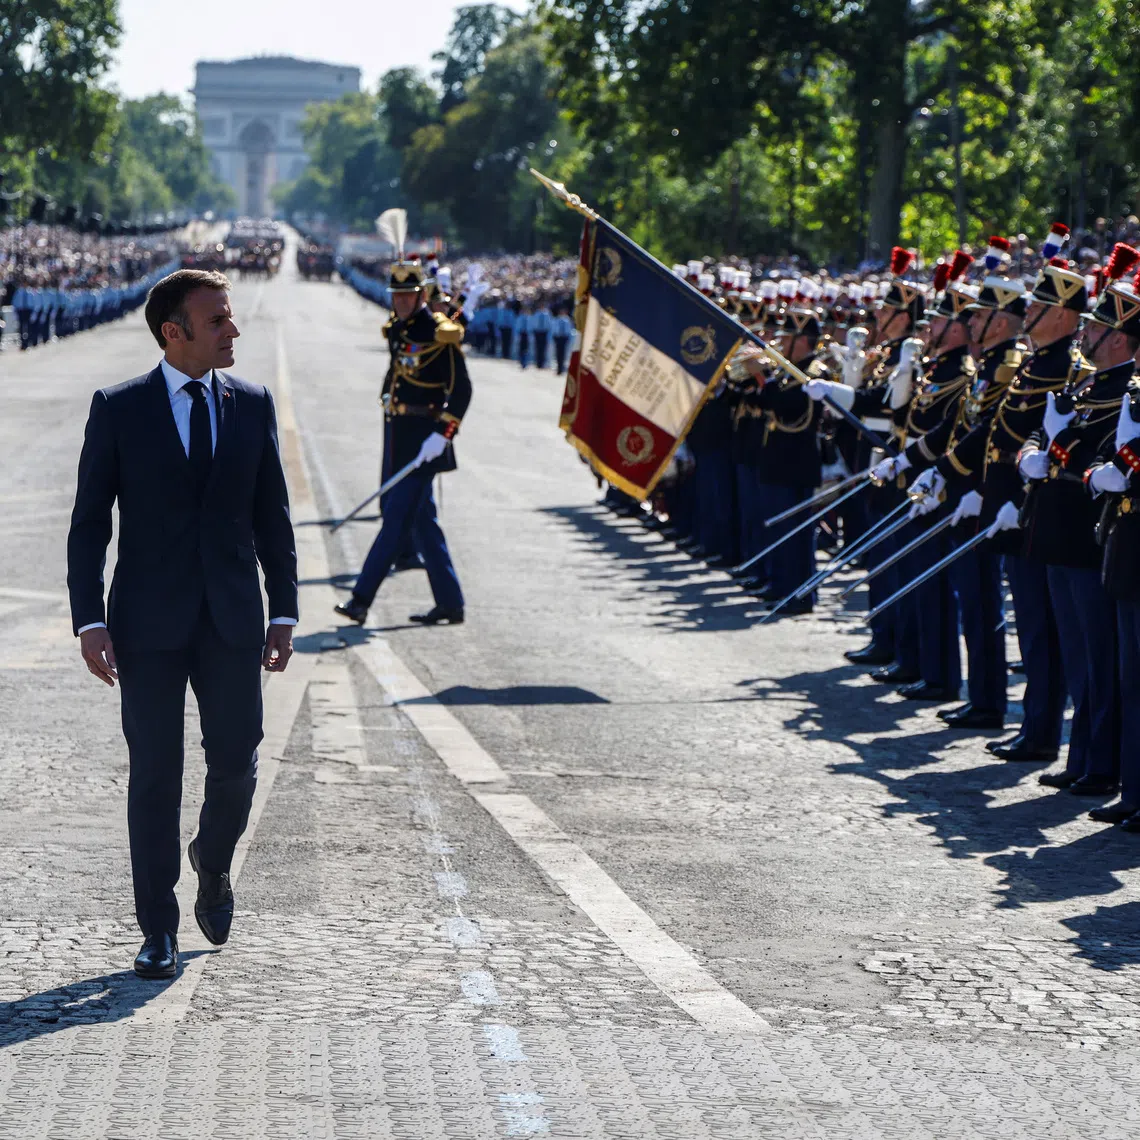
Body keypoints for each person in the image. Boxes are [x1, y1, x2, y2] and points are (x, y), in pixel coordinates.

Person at [66, 269, 298, 980]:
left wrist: (284, 607)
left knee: (237, 764)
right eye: (219, 320)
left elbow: (273, 518)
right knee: (155, 777)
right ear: (175, 332)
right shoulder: (119, 408)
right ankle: (158, 928)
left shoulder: (253, 406)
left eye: (230, 318)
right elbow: (87, 526)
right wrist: (88, 620)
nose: (233, 330)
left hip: (231, 619)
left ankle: (213, 859)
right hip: (146, 623)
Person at [335, 255, 471, 626]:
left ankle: (361, 599)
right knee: (424, 522)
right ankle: (451, 603)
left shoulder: (439, 334)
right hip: (398, 434)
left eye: (409, 296)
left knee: (395, 521)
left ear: (422, 296)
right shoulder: (398, 330)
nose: (402, 302)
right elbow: (396, 372)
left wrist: (442, 437)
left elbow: (461, 392)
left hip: (426, 439)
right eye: (397, 295)